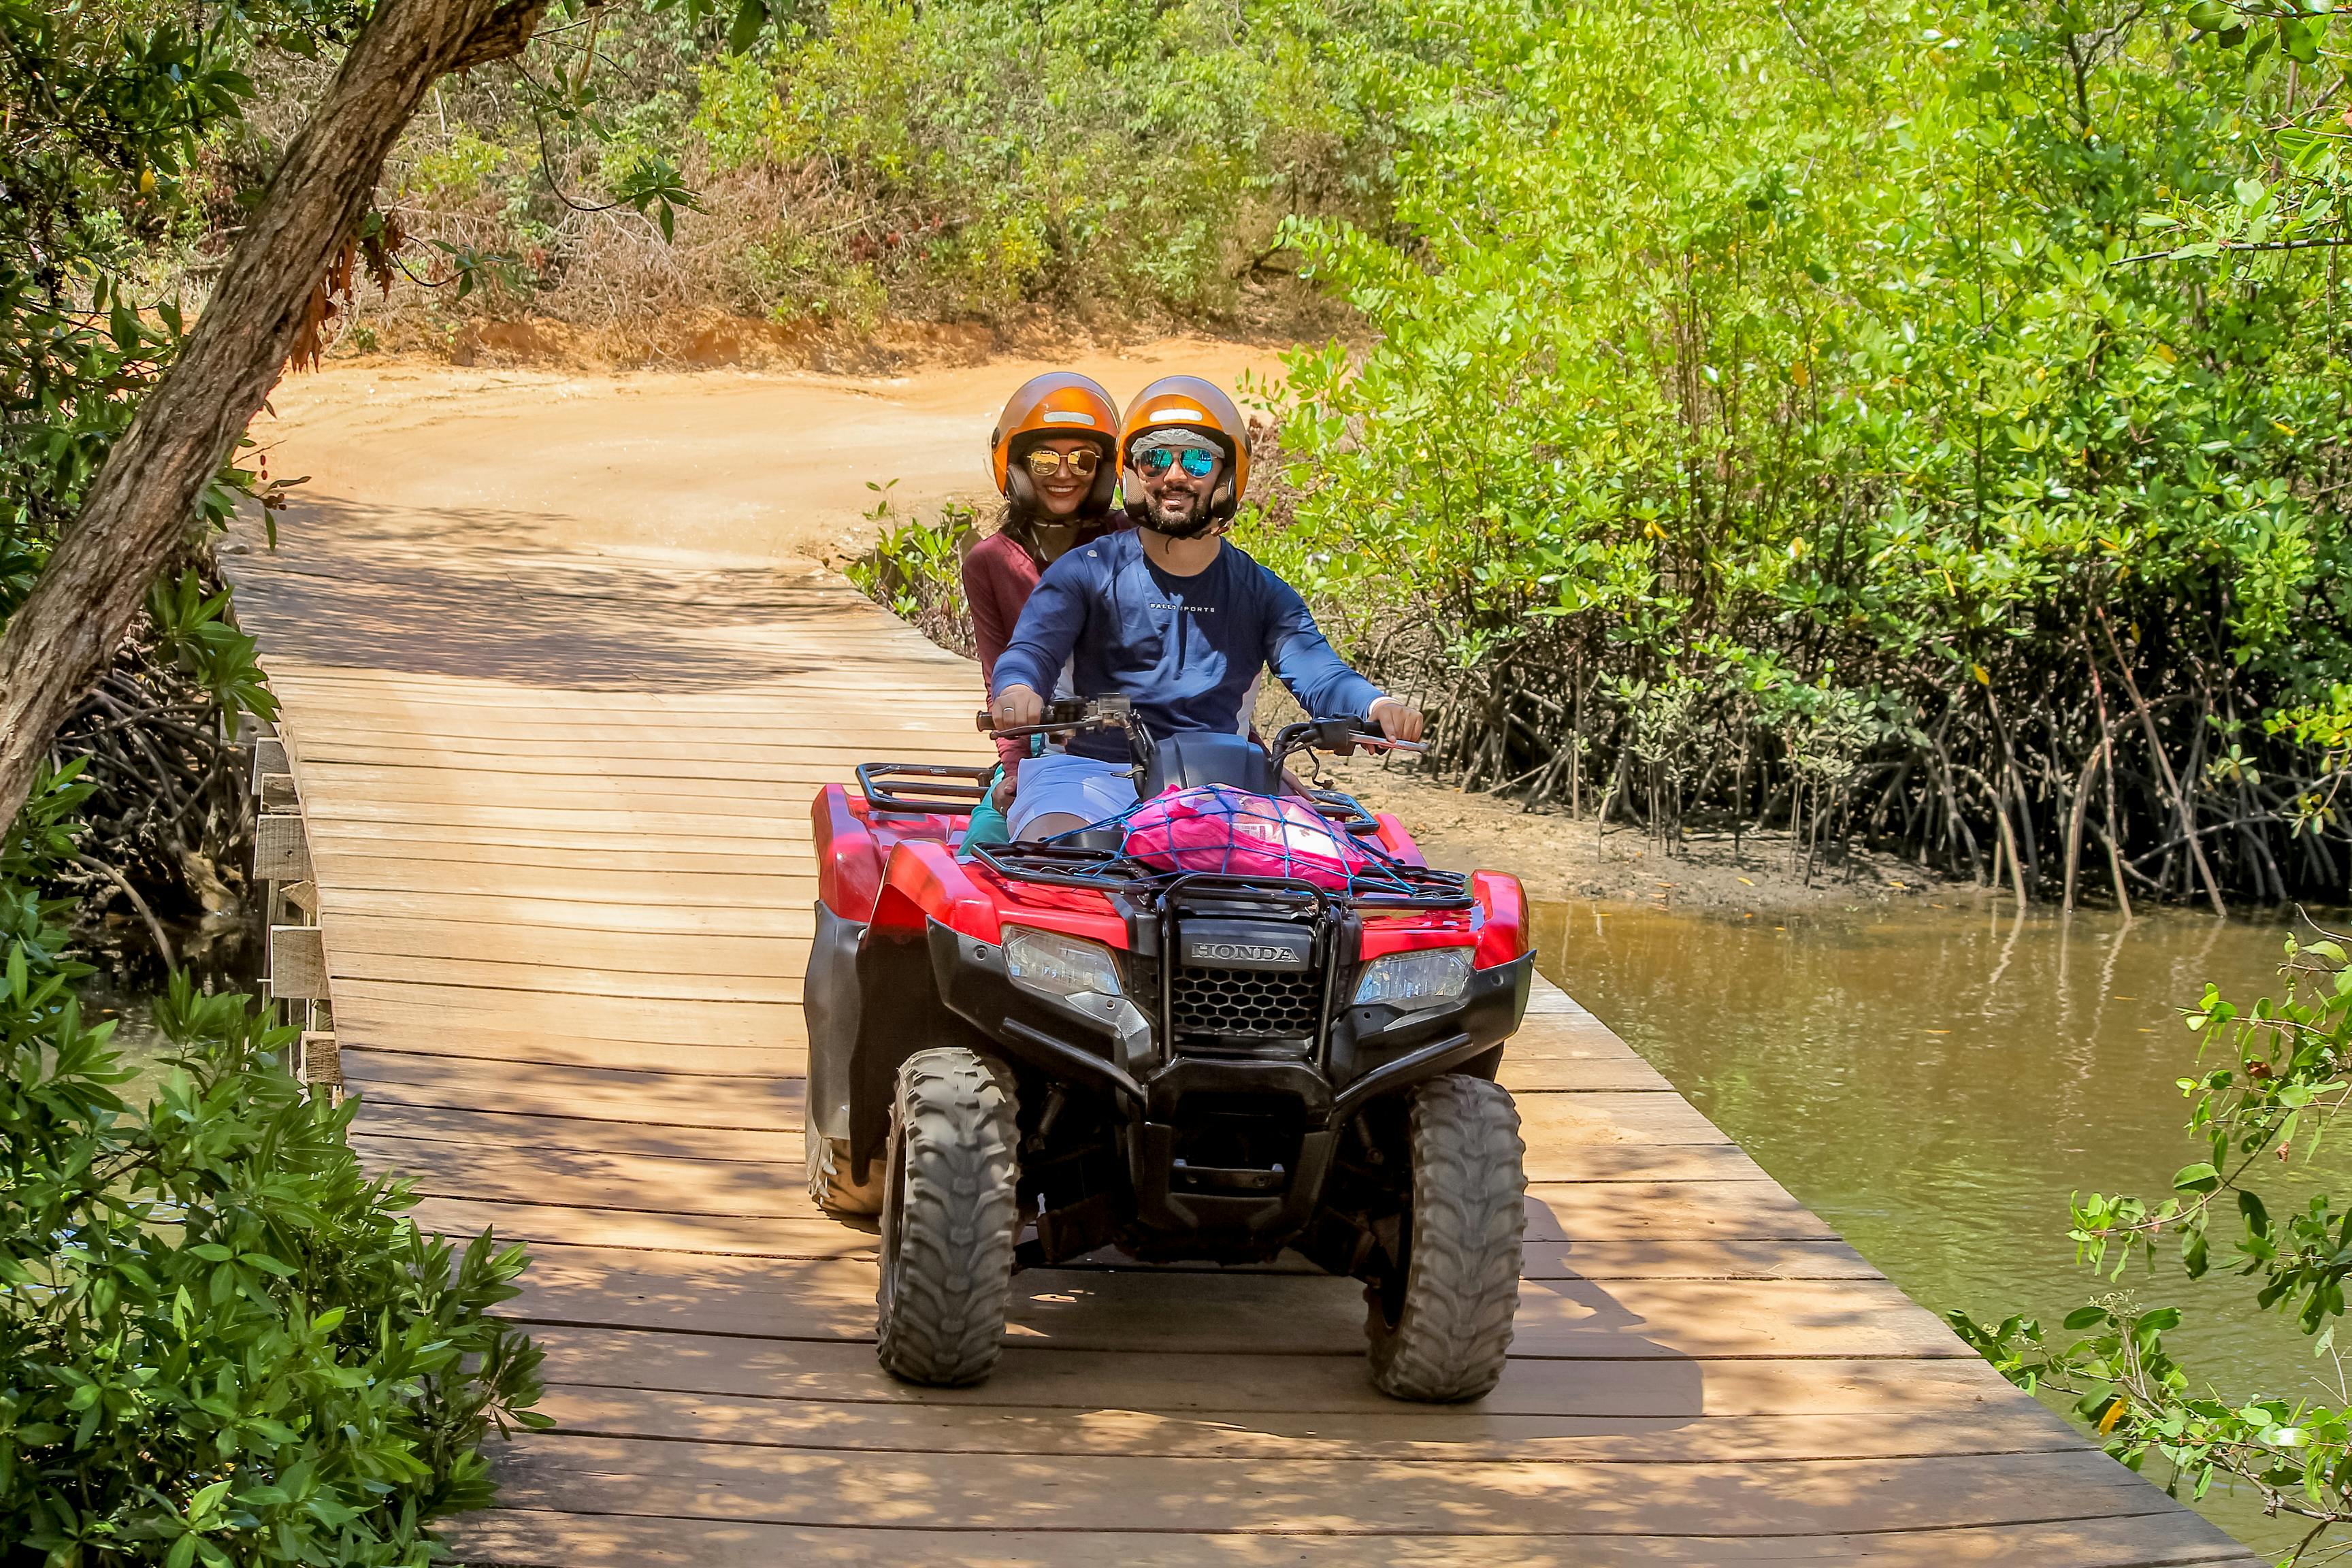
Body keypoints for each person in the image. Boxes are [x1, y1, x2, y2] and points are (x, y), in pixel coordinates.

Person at [990, 375, 1423, 840]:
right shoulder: (1083, 573)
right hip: (1087, 777)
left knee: (1320, 883)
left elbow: (1320, 672)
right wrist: (1017, 690)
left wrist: (1375, 705)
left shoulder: (1261, 592)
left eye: (1197, 459)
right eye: (1154, 459)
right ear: (1131, 474)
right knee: (1059, 854)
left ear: (1227, 473)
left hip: (1222, 784)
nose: (1174, 475)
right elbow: (1032, 650)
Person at [958, 372, 1126, 851]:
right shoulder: (989, 562)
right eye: (1046, 458)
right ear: (1014, 463)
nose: (1065, 472)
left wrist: (1247, 750)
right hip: (1046, 739)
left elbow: (1201, 648)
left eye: (1083, 459)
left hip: (1145, 733)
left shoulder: (1132, 540)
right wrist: (1012, 772)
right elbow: (1000, 676)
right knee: (983, 854)